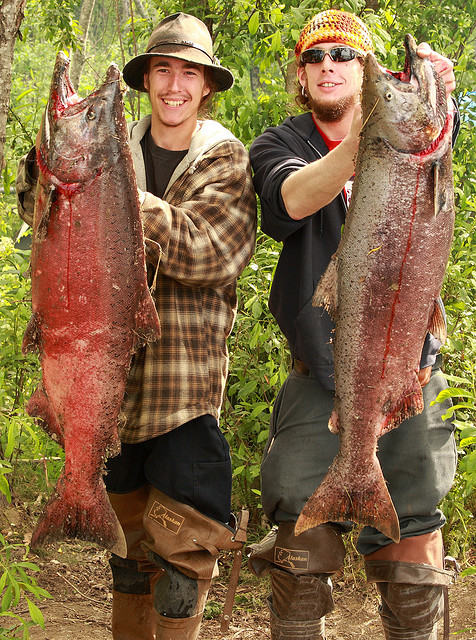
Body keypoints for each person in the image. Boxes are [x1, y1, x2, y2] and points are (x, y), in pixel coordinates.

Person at [16, 12, 257, 640]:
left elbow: (214, 253)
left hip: (183, 396)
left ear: (207, 85)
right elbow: (43, 213)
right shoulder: (109, 146)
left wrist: (116, 198)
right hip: (107, 396)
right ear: (146, 79)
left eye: (188, 73)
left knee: (182, 564)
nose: (173, 85)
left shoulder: (223, 156)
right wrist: (52, 173)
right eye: (162, 70)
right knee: (128, 563)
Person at [247, 9, 459, 640]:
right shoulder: (279, 145)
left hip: (411, 366)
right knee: (296, 528)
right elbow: (290, 202)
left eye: (345, 55)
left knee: (416, 535)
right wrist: (376, 134)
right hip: (322, 371)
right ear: (301, 75)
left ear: (366, 70)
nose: (329, 66)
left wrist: (433, 96)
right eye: (316, 58)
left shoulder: (420, 142)